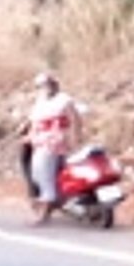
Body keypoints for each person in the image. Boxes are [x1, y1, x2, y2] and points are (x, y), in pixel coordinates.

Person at [26, 72, 83, 224]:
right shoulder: (40, 102)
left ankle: (43, 213)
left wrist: (75, 139)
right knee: (40, 174)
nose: (45, 88)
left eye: (47, 84)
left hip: (55, 141)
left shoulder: (64, 100)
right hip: (41, 140)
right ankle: (53, 203)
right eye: (41, 86)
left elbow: (75, 120)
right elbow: (33, 123)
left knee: (44, 174)